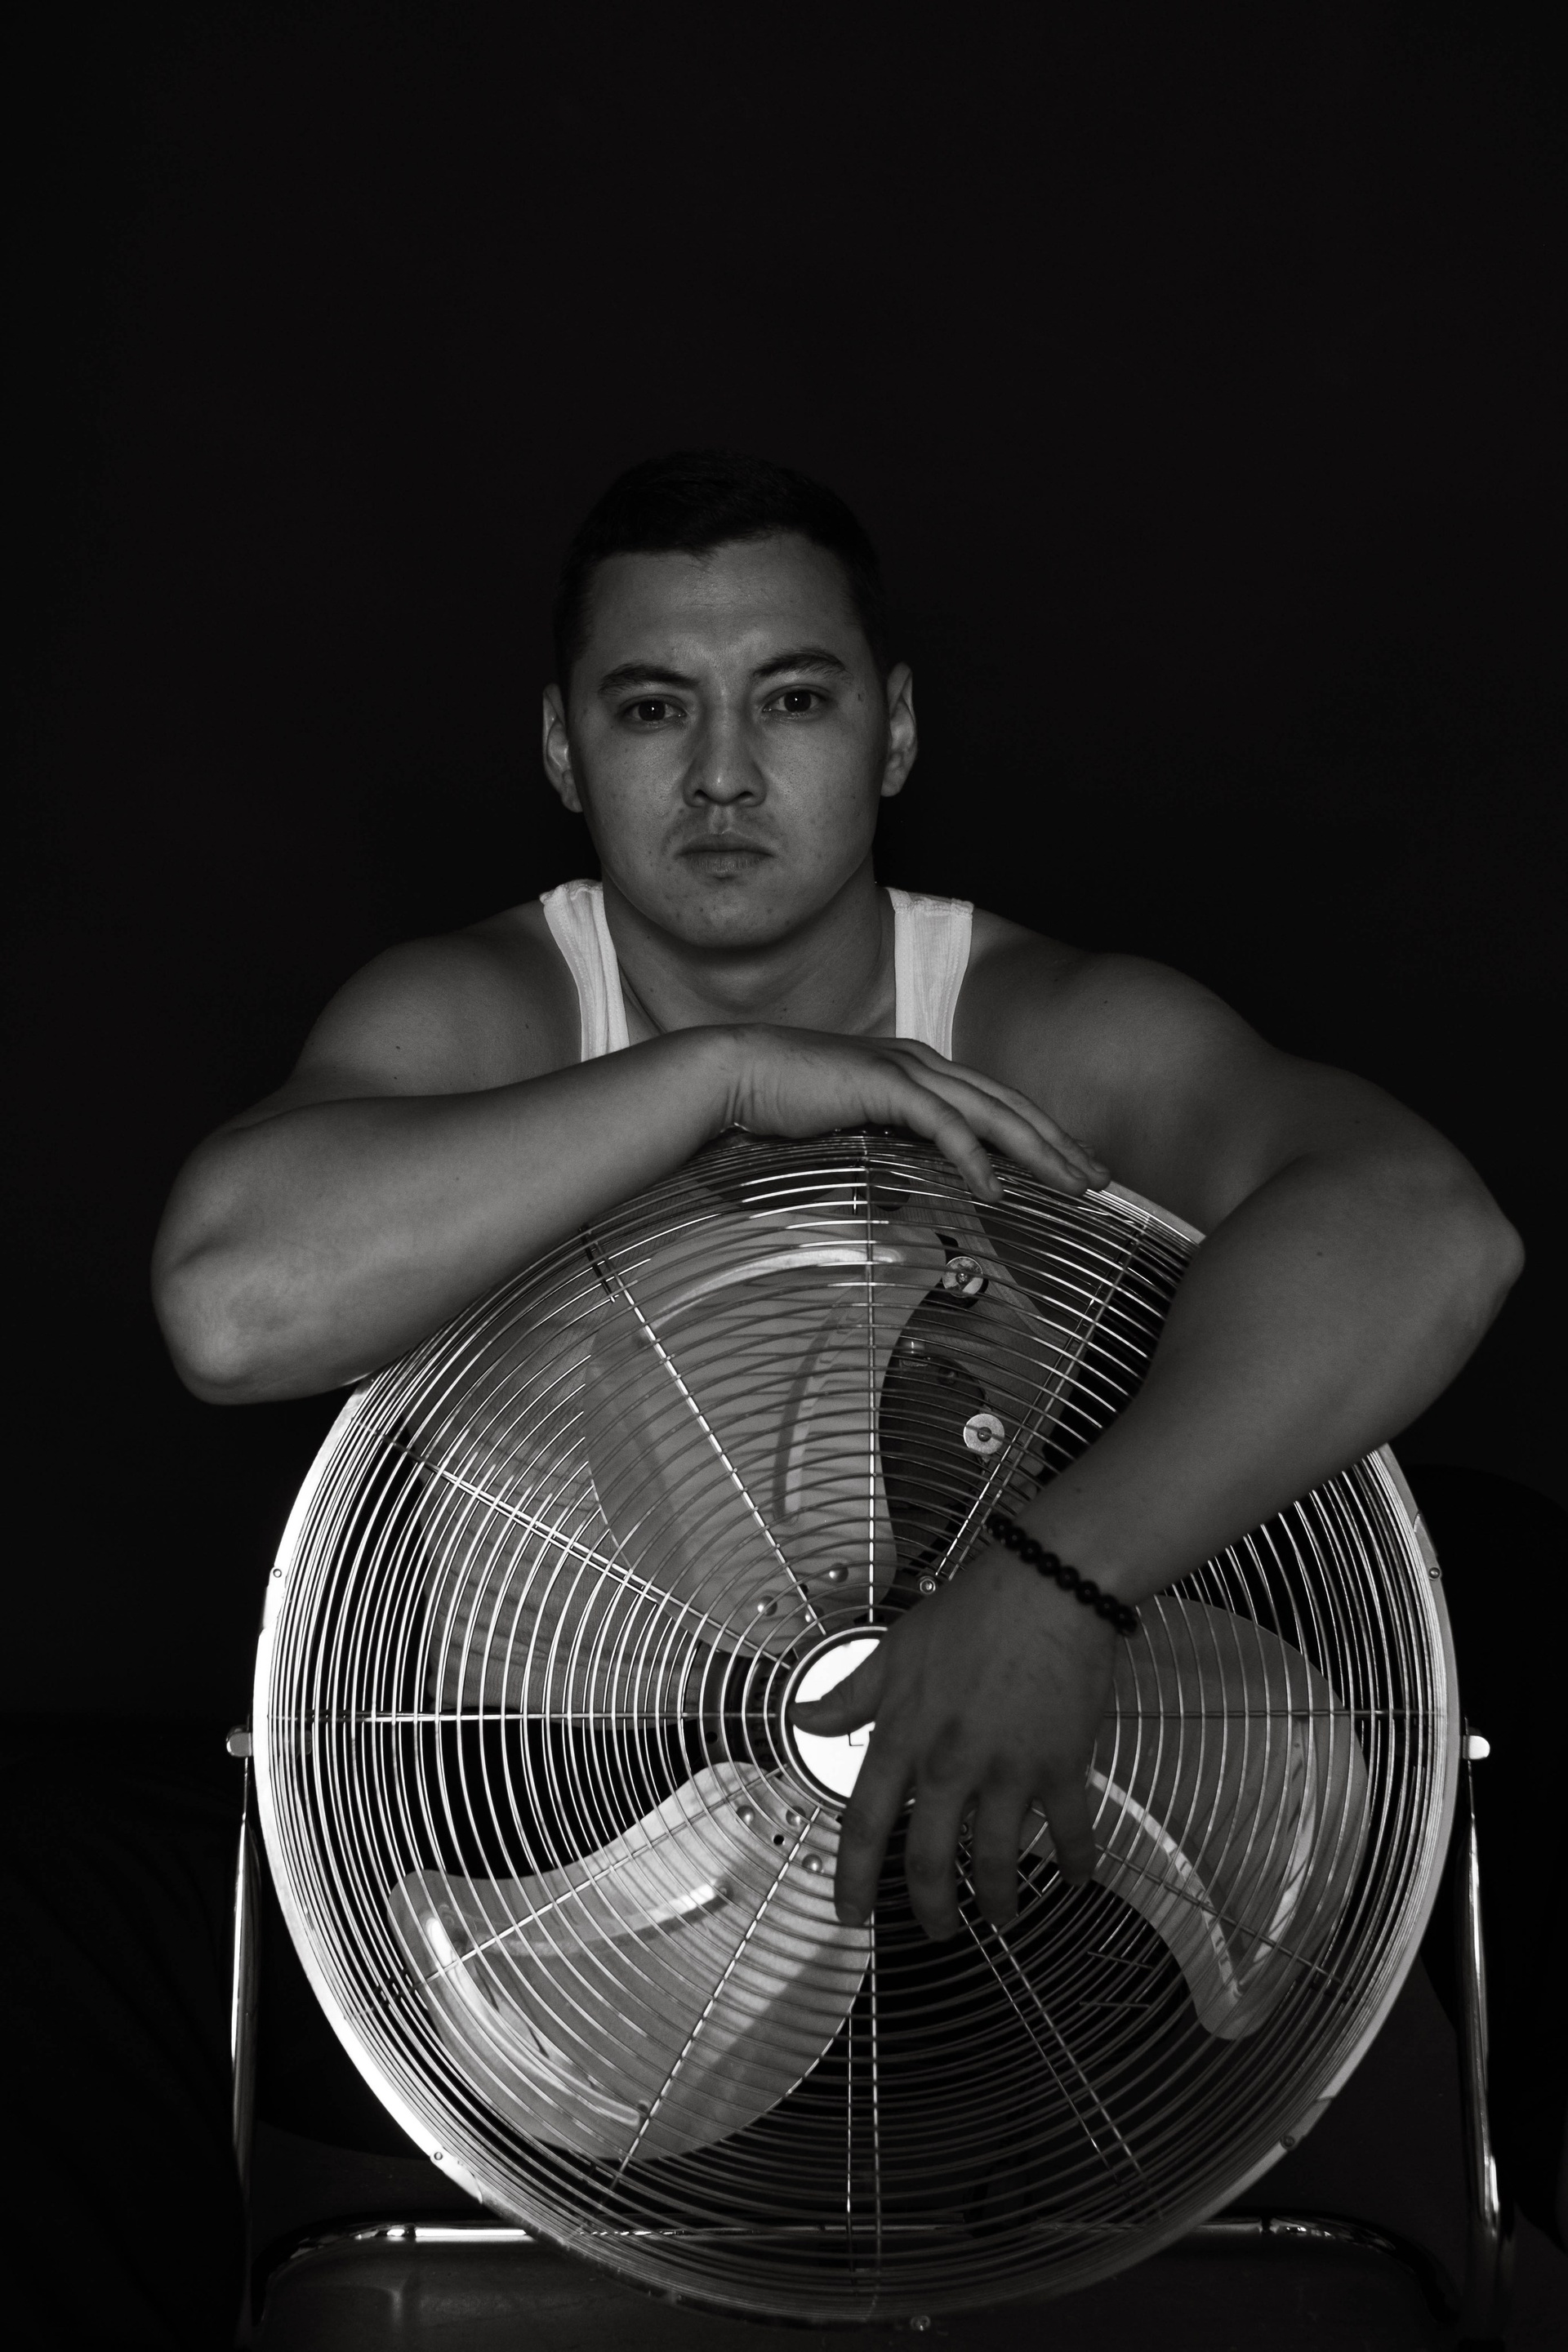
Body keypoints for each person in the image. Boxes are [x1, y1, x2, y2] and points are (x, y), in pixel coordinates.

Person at [41, 445, 1541, 2351]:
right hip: (568, 1876)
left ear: (894, 730)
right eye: (653, 708)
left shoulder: (1036, 1023)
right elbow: (233, 1302)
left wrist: (1057, 1587)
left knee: (1514, 1573)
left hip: (994, 1874)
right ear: (566, 749)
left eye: (796, 700)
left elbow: (1428, 1232)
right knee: (54, 1880)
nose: (726, 776)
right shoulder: (491, 1015)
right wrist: (723, 1078)